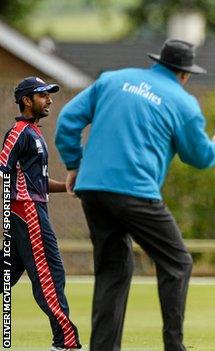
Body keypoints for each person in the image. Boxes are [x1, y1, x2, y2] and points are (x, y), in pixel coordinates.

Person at [55, 39, 215, 351]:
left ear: (158, 62)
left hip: (93, 189)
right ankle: (174, 346)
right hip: (135, 192)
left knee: (113, 270)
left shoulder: (112, 79)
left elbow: (67, 121)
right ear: (185, 74)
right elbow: (198, 157)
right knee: (178, 262)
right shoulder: (183, 101)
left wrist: (74, 165)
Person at [0, 77, 81, 351]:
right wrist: (13, 207)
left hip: (30, 208)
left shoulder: (34, 133)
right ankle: (66, 342)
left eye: (49, 95)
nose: (49, 100)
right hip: (27, 211)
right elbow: (3, 170)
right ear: (26, 100)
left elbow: (37, 182)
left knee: (5, 273)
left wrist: (68, 186)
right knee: (50, 273)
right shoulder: (18, 132)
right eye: (42, 95)